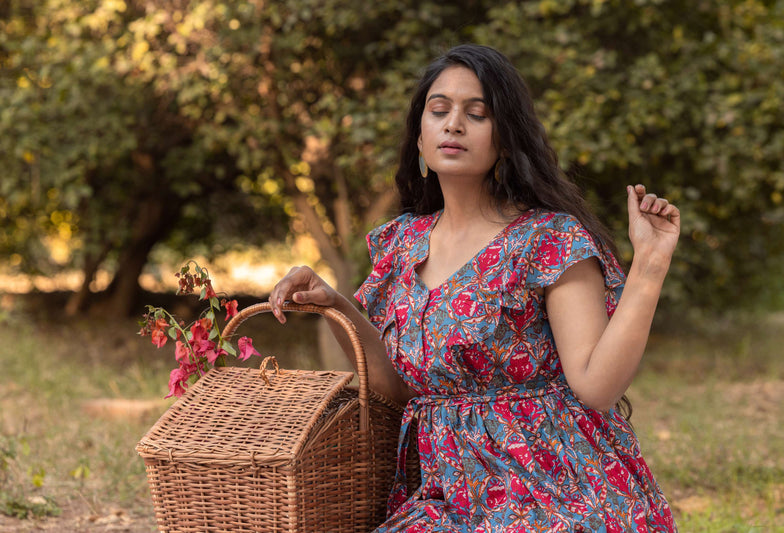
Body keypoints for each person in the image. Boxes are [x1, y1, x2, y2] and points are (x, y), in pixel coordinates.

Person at [269, 44, 677, 532]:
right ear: (419, 138)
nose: (453, 124)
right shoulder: (401, 244)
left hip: (554, 488)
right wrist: (336, 304)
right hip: (445, 494)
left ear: (504, 139)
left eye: (476, 113)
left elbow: (596, 387)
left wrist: (649, 266)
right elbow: (399, 392)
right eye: (438, 110)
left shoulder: (547, 240)